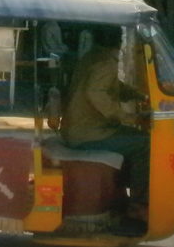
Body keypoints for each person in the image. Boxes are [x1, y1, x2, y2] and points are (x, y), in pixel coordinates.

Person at [62, 27, 148, 237]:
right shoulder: (105, 62)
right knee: (146, 144)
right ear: (119, 42)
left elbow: (110, 85)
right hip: (88, 134)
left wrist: (135, 95)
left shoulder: (93, 56)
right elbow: (96, 92)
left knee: (132, 137)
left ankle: (122, 198)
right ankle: (139, 207)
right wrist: (124, 116)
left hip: (81, 129)